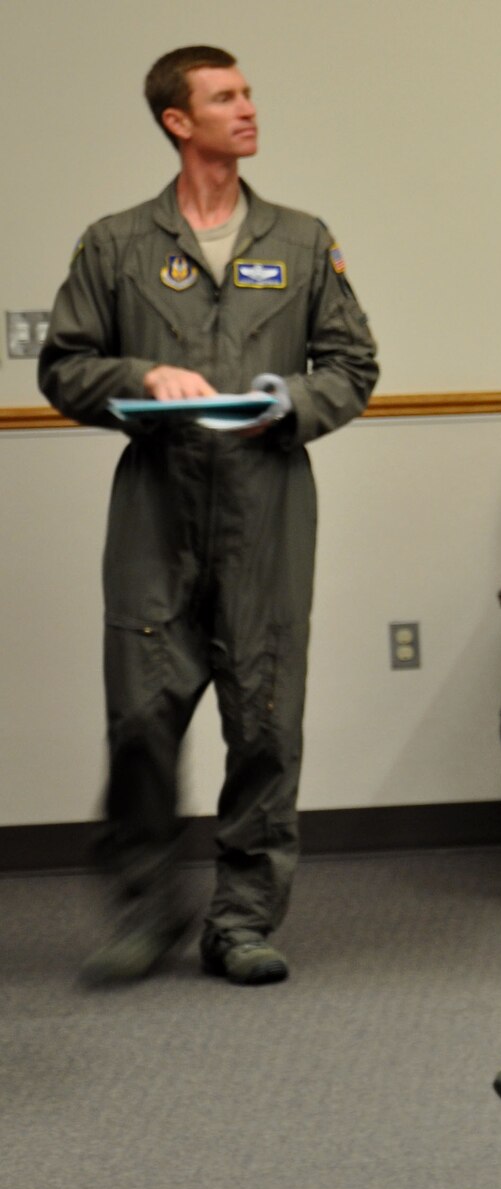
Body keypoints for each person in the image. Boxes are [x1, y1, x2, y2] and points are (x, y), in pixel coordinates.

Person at [38, 46, 379, 985]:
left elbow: (353, 366)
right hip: (156, 506)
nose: (248, 109)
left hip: (267, 504)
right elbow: (63, 368)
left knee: (266, 722)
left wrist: (293, 406)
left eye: (248, 93)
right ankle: (146, 913)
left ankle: (241, 921)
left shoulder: (303, 240)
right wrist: (138, 375)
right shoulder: (116, 244)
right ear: (177, 122)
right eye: (225, 97)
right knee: (141, 720)